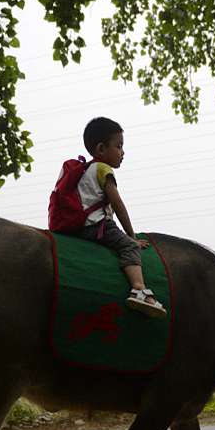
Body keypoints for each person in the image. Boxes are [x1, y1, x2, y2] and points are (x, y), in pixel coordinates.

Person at [51, 116, 166, 318]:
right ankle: (139, 289)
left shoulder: (84, 170)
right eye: (119, 146)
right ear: (101, 149)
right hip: (97, 226)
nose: (123, 152)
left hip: (78, 227)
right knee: (128, 247)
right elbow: (117, 204)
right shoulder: (103, 169)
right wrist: (131, 236)